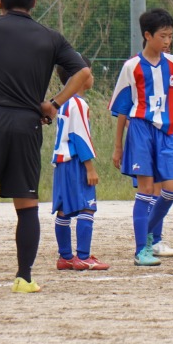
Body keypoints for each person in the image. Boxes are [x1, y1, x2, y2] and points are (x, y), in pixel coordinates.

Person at [0, 0, 92, 295]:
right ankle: (24, 278)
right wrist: (53, 104)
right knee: (26, 202)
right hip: (27, 122)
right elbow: (83, 73)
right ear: (34, 2)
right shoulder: (51, 37)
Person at [110, 8, 173, 268]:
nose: (167, 41)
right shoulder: (131, 67)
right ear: (147, 35)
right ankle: (141, 249)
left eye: (170, 36)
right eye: (163, 36)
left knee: (171, 190)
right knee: (145, 190)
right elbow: (122, 109)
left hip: (167, 134)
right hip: (141, 130)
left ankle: (150, 236)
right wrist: (118, 146)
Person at [51, 63, 110, 271]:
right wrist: (90, 168)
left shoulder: (62, 102)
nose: (92, 77)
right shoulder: (78, 103)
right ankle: (83, 257)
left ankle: (65, 257)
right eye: (90, 72)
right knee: (87, 206)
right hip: (75, 162)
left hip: (61, 163)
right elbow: (80, 137)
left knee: (64, 209)